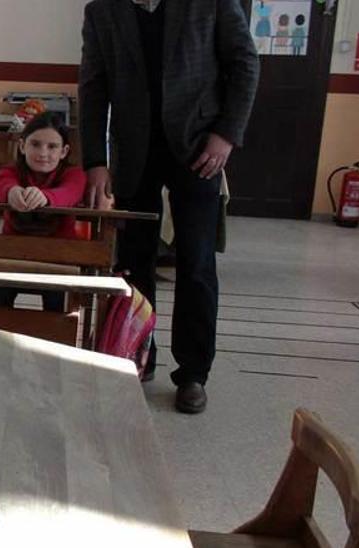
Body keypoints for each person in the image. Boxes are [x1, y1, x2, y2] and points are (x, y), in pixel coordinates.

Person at [80, 0, 259, 413]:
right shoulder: (101, 10)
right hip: (134, 154)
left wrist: (227, 134)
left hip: (199, 149)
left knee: (195, 264)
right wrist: (94, 161)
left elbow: (245, 63)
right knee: (134, 262)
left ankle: (193, 373)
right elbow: (93, 86)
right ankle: (139, 357)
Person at [0, 112, 87, 312]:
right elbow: (3, 185)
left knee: (57, 302)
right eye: (35, 144)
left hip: (58, 255)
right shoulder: (11, 171)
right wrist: (12, 192)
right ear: (22, 146)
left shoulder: (73, 174)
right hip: (13, 252)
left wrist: (46, 198)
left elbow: (70, 192)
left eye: (52, 147)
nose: (43, 153)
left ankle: (54, 337)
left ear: (64, 151)